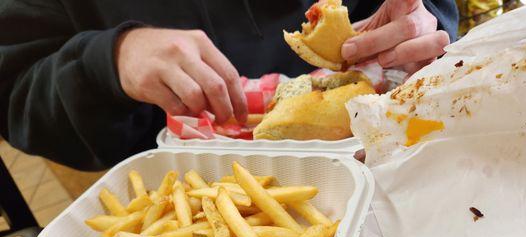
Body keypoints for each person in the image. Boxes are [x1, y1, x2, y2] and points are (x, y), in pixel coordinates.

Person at [0, 0, 457, 171]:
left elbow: (426, 11)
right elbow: (15, 93)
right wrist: (108, 60)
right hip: (203, 203)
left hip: (393, 158)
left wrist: (423, 23)